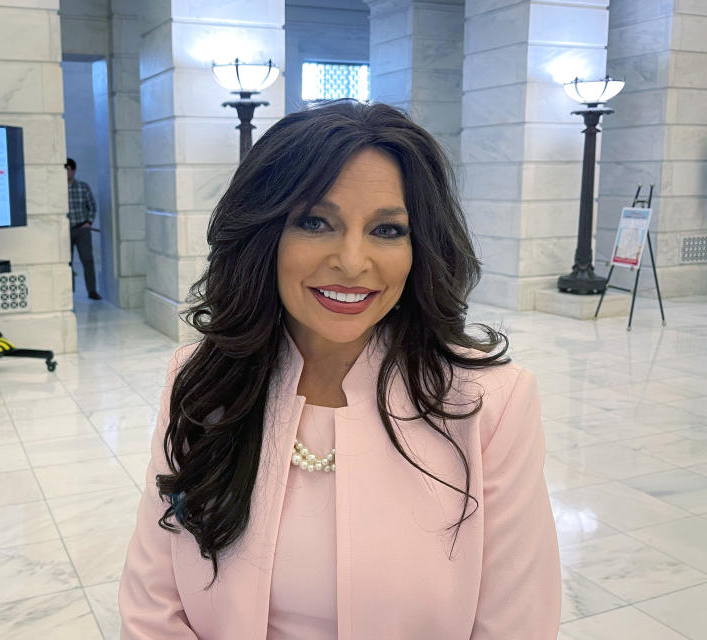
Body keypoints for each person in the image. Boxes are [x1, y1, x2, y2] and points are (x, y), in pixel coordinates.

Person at [118, 101, 561, 639]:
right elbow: (152, 604)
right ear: (264, 236)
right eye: (315, 222)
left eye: (388, 230)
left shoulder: (488, 403)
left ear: (420, 248)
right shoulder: (201, 380)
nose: (352, 262)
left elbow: (516, 623)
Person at [65, 158, 101, 300]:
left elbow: (92, 206)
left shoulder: (83, 187)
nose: (66, 172)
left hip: (81, 229)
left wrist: (89, 222)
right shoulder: (57, 189)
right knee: (67, 262)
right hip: (64, 231)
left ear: (73, 171)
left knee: (88, 260)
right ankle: (68, 293)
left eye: (68, 169)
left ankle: (92, 291)